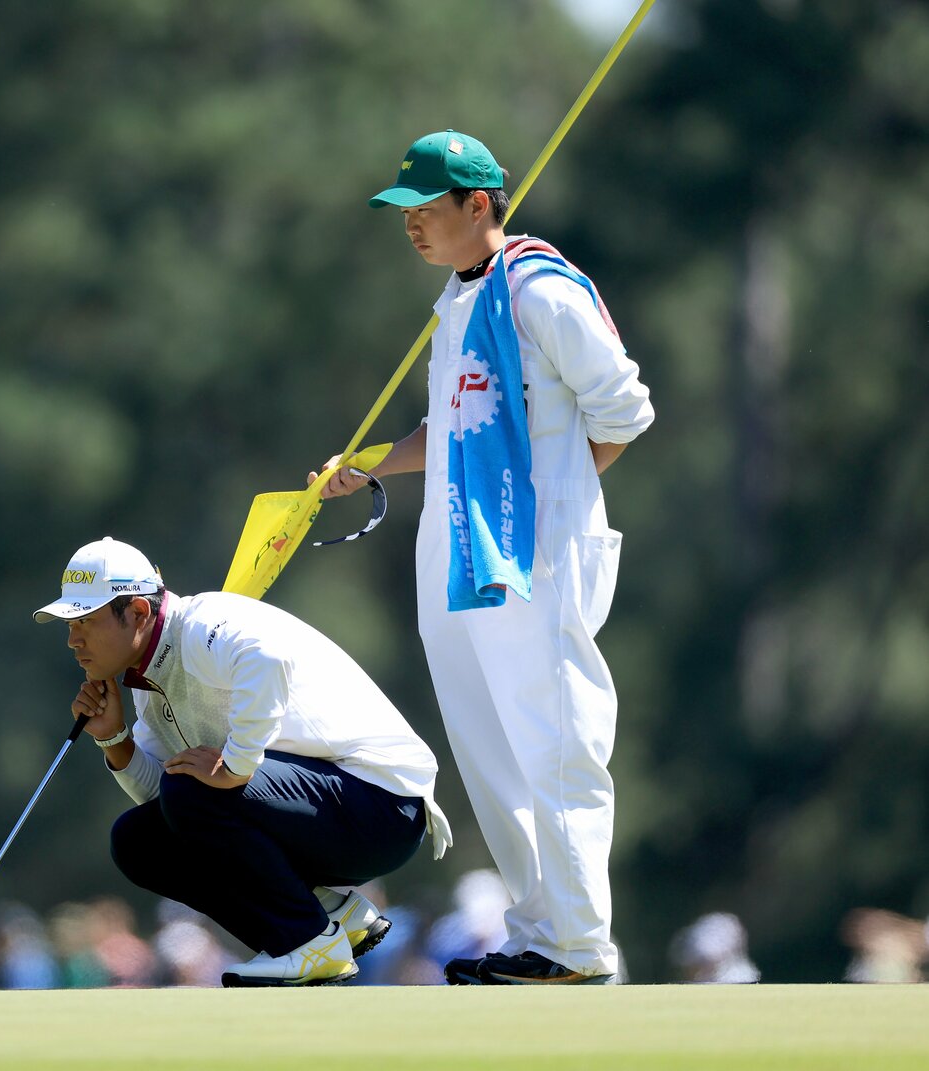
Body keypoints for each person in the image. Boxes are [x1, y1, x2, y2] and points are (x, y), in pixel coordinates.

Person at [312, 130, 654, 984]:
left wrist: (550, 493)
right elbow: (454, 430)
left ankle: (580, 944)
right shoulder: (457, 304)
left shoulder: (541, 288)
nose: (414, 228)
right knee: (491, 745)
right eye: (405, 215)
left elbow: (625, 408)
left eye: (428, 210)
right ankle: (541, 934)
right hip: (458, 550)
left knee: (556, 740)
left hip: (533, 551)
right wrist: (368, 468)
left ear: (479, 203)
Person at [34, 536, 452, 987]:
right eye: (70, 624)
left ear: (137, 612)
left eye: (87, 622)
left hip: (382, 806)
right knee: (137, 841)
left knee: (195, 789)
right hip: (324, 817)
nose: (74, 640)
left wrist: (235, 765)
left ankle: (308, 941)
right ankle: (329, 915)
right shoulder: (146, 682)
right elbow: (174, 805)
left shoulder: (201, 624)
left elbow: (267, 658)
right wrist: (115, 741)